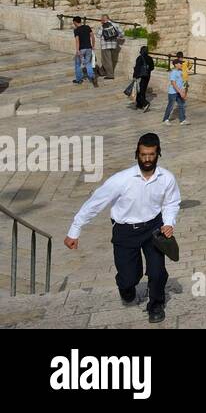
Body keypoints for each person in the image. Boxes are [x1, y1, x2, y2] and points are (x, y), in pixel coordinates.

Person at [64, 133, 180, 324]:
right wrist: (74, 230)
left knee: (157, 271)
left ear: (158, 153)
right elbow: (95, 203)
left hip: (153, 228)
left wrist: (168, 223)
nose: (147, 159)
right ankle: (126, 289)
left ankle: (156, 305)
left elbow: (172, 203)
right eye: (143, 155)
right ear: (137, 154)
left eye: (151, 154)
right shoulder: (121, 179)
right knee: (129, 278)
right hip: (125, 231)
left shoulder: (167, 178)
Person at [162, 56, 188, 125]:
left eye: (181, 63)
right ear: (176, 64)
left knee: (181, 105)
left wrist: (183, 92)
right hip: (173, 92)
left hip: (179, 92)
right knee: (170, 106)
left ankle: (182, 120)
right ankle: (165, 119)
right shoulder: (173, 72)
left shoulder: (180, 72)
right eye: (180, 63)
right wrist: (179, 91)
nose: (181, 64)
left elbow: (181, 83)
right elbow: (173, 83)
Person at [72, 16, 97, 86]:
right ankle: (92, 77)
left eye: (73, 23)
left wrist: (77, 50)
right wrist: (93, 45)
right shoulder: (87, 27)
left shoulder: (76, 30)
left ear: (75, 22)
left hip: (81, 49)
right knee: (88, 63)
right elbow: (92, 36)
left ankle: (79, 80)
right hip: (89, 48)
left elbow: (77, 41)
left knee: (78, 64)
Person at [128, 46, 154, 111]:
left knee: (139, 91)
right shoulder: (150, 58)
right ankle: (139, 104)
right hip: (147, 76)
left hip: (140, 77)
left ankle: (145, 103)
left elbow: (137, 68)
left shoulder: (139, 58)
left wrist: (134, 77)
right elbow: (152, 68)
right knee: (143, 90)